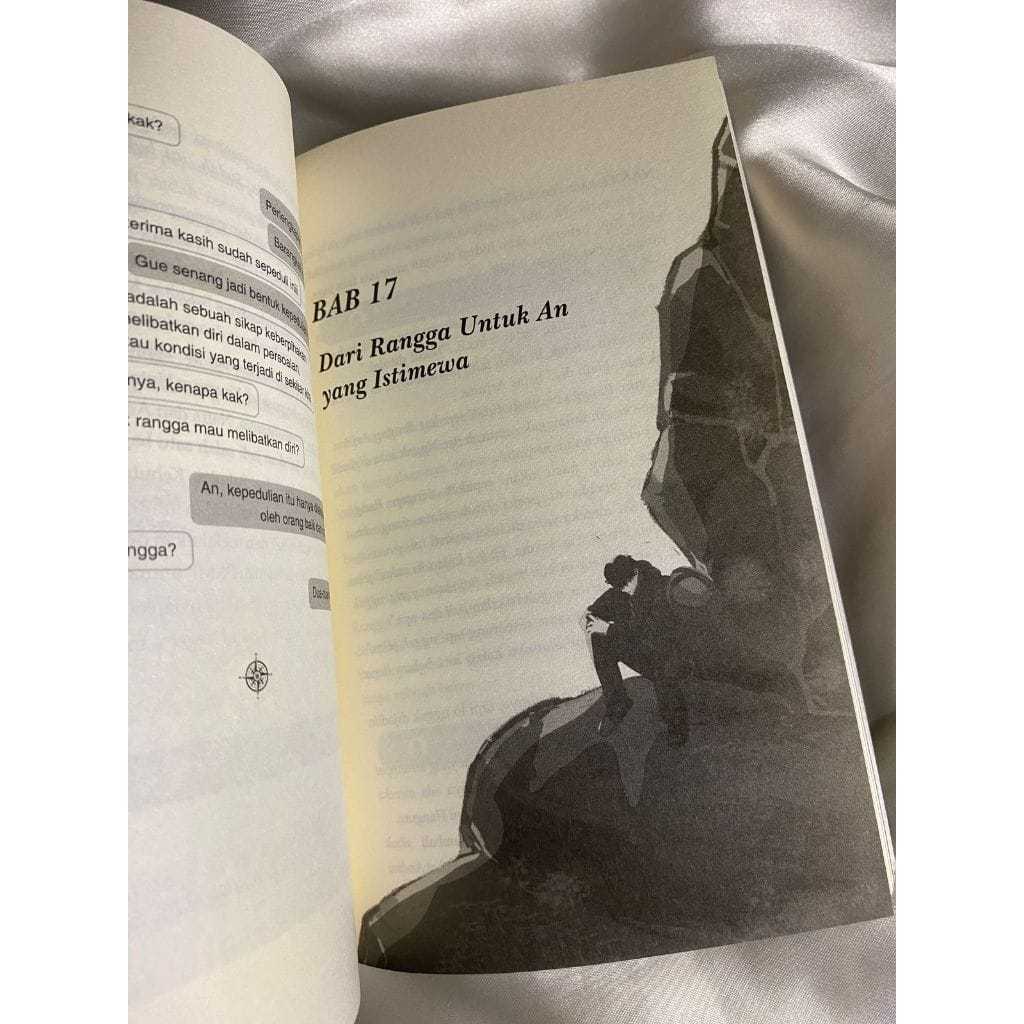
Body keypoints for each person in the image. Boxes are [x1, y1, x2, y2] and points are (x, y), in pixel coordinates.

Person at [585, 555, 688, 742]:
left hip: (672, 656)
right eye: (619, 587)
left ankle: (677, 727)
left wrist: (609, 629)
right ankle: (618, 703)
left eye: (625, 585)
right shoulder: (624, 587)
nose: (624, 590)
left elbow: (651, 637)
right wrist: (591, 617)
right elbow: (596, 609)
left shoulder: (658, 589)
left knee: (663, 667)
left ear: (635, 574)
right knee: (599, 638)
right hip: (646, 651)